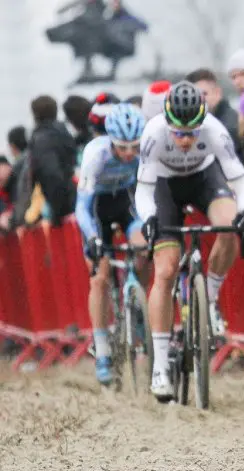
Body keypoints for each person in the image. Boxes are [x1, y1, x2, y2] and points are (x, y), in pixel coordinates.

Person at [134, 81, 244, 399]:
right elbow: (144, 191)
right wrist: (149, 218)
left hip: (204, 179)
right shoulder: (153, 133)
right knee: (165, 270)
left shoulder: (215, 131)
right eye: (179, 133)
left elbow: (242, 183)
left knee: (230, 227)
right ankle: (160, 366)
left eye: (192, 132)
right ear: (168, 122)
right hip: (164, 188)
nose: (186, 139)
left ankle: (211, 299)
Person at [75, 103, 148, 384]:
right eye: (123, 147)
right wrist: (93, 238)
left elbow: (148, 191)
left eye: (134, 147)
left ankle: (139, 309)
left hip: (126, 202)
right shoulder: (97, 154)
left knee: (144, 245)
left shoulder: (143, 152)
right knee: (100, 278)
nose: (130, 153)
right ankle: (103, 349)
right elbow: (82, 206)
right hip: (96, 209)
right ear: (111, 141)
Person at [27, 95, 78, 225]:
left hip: (62, 206)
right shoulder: (64, 132)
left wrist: (57, 211)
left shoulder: (42, 140)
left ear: (35, 115)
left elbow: (51, 175)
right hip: (75, 196)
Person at [185, 68, 241, 160]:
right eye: (192, 95)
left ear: (218, 93)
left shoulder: (228, 127)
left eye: (204, 94)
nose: (199, 100)